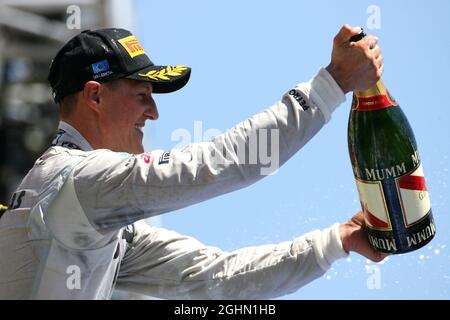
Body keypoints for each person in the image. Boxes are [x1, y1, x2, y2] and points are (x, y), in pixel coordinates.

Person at [0, 25, 385, 300]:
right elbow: (226, 161)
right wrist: (333, 83)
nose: (153, 113)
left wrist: (336, 242)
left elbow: (222, 280)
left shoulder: (94, 213)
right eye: (142, 95)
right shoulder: (81, 182)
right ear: (95, 96)